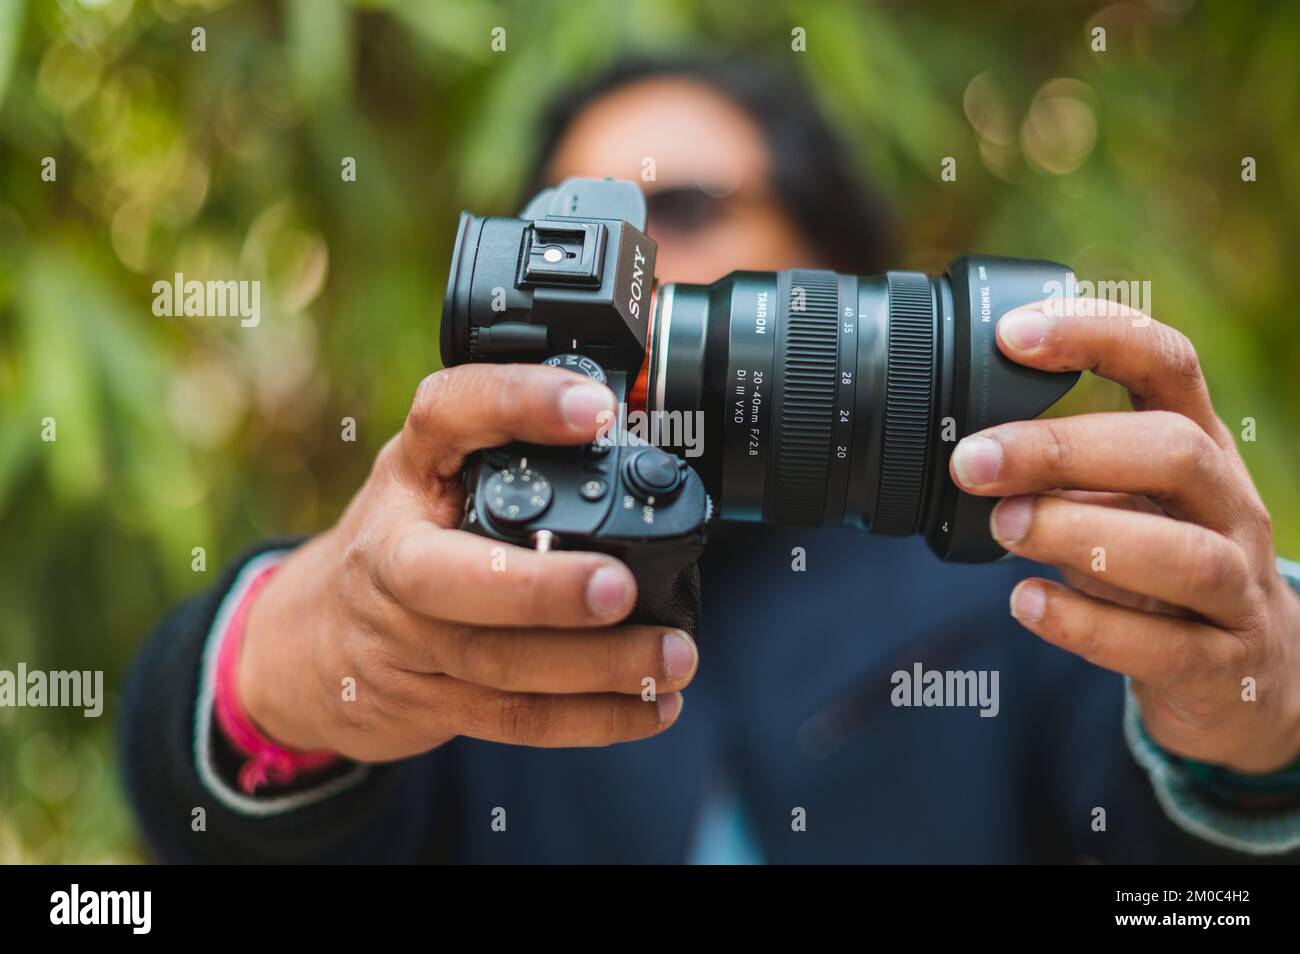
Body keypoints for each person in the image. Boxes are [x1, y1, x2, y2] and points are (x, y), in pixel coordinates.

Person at [121, 57, 1300, 863]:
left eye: (674, 209)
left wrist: (1257, 710)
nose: (622, 276)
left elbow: (1177, 876)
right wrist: (286, 661)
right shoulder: (454, 582)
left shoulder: (1017, 566)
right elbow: (209, 819)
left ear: (830, 278)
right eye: (568, 234)